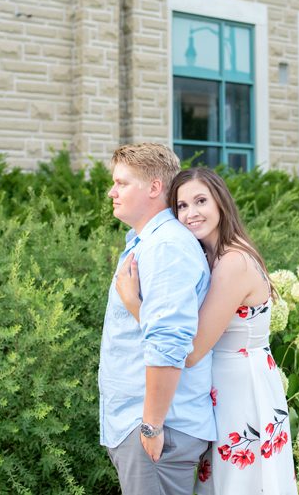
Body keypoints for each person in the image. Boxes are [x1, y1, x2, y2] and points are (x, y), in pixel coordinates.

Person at [115, 167, 297, 494]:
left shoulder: (233, 262)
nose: (191, 213)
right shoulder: (209, 255)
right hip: (224, 385)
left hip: (241, 391)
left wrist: (133, 303)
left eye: (201, 201)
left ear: (221, 204)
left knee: (239, 484)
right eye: (181, 206)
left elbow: (193, 349)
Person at [99, 144, 216, 495]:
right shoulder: (147, 242)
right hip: (144, 429)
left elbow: (169, 341)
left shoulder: (166, 247)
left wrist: (150, 426)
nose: (112, 191)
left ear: (153, 187)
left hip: (157, 432)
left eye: (121, 183)